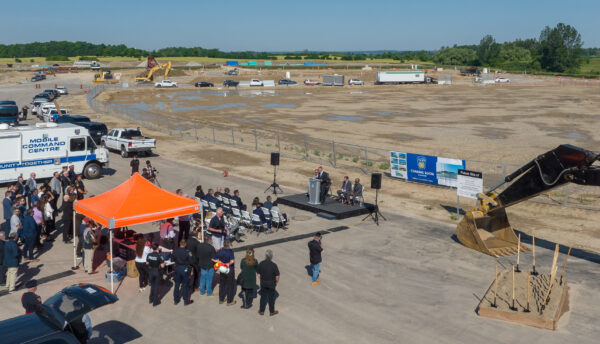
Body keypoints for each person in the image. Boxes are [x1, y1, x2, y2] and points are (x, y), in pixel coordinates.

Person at [257, 249, 280, 316]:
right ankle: (272, 311)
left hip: (263, 283)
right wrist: (276, 283)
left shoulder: (261, 263)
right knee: (271, 298)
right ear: (271, 256)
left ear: (265, 256)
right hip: (271, 284)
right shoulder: (274, 265)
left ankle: (261, 311)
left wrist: (262, 279)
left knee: (263, 297)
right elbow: (277, 276)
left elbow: (258, 274)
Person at [213, 240, 236, 305]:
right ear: (228, 245)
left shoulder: (220, 251)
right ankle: (229, 301)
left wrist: (220, 263)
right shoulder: (230, 252)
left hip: (222, 269)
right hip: (229, 269)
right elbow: (232, 261)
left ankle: (221, 299)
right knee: (230, 285)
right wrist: (227, 264)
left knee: (222, 284)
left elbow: (213, 258)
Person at [172, 239, 194, 306]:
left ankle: (176, 300)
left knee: (176, 285)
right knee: (184, 285)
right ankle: (186, 301)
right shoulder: (188, 252)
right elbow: (191, 262)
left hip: (177, 269)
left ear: (180, 244)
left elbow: (172, 259)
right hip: (185, 269)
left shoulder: (175, 251)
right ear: (185, 245)